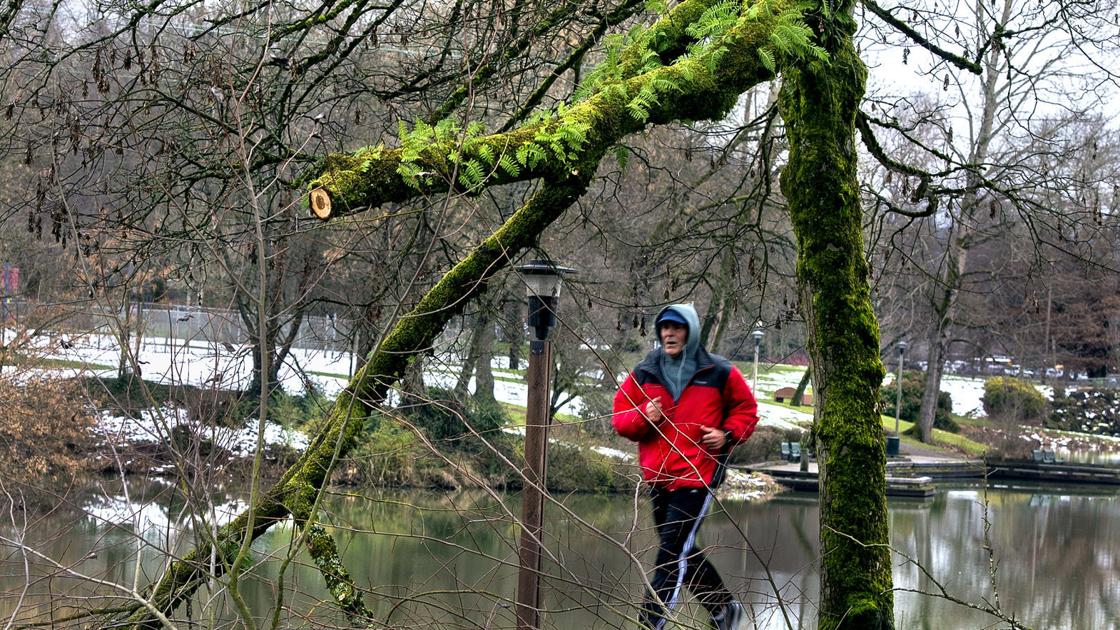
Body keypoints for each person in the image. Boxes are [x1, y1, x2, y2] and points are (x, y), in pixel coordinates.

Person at [612, 304, 759, 630]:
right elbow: (620, 417)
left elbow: (747, 411)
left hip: (697, 476)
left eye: (676, 328)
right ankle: (723, 608)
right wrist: (642, 418)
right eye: (664, 328)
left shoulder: (719, 372)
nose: (669, 334)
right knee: (681, 549)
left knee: (669, 554)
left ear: (690, 332)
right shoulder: (645, 372)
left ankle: (650, 622)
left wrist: (727, 434)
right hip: (658, 477)